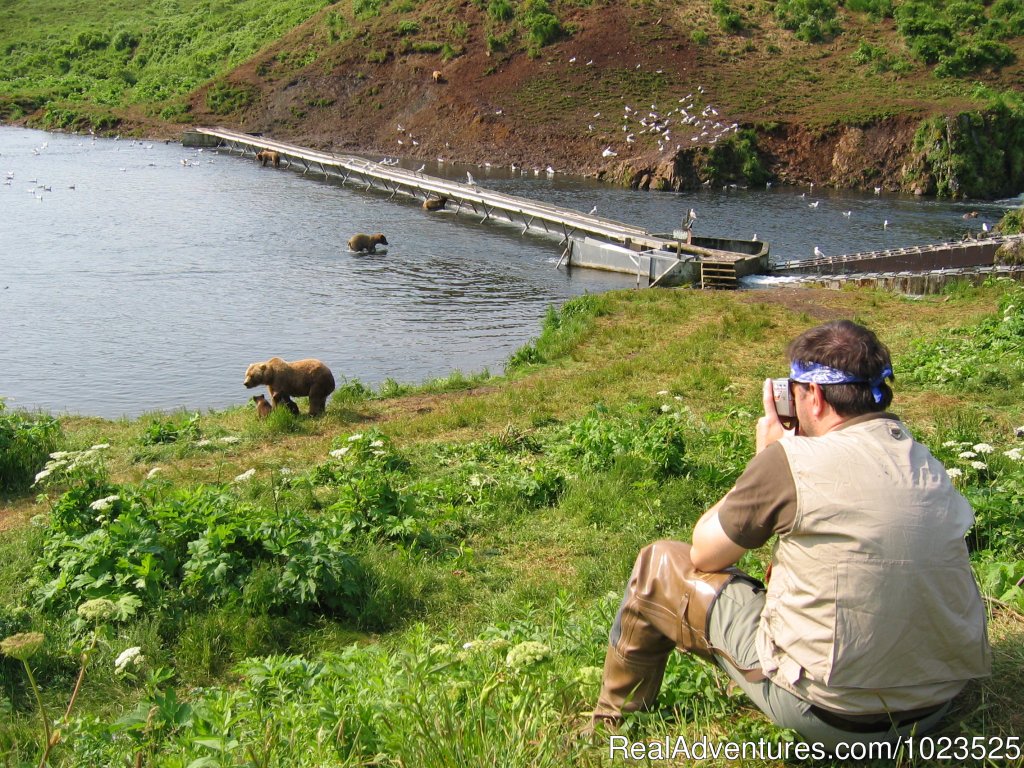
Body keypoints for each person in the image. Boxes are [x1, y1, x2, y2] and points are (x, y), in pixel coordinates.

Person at [591, 320, 991, 751]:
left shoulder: (790, 459)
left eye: (794, 390)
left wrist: (763, 459)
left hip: (832, 715)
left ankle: (612, 725)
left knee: (659, 563)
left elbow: (705, 552)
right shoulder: (921, 459)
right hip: (935, 703)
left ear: (814, 397)